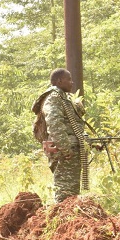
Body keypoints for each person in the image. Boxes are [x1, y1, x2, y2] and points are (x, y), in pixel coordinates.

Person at [34, 68, 87, 203]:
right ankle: (62, 217)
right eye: (69, 79)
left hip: (69, 148)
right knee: (65, 191)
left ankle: (68, 216)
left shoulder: (62, 98)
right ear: (59, 81)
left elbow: (71, 125)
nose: (72, 82)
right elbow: (54, 124)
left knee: (72, 189)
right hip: (64, 151)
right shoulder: (53, 98)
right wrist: (65, 148)